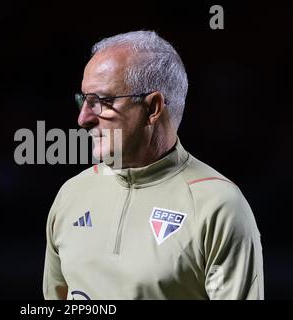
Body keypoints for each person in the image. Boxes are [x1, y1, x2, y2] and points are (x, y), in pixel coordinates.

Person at [43, 30, 263, 300]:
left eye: (100, 101)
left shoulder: (219, 205)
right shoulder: (71, 195)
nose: (83, 118)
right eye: (84, 101)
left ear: (153, 108)